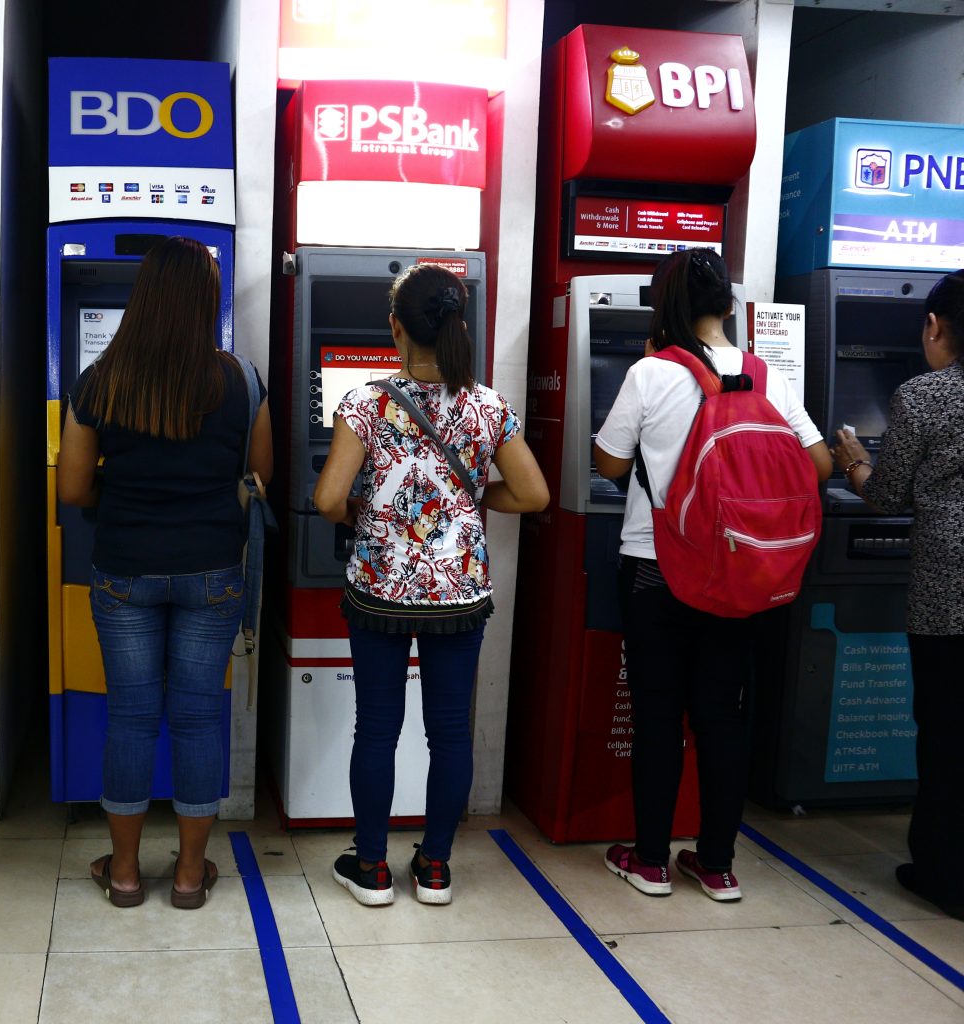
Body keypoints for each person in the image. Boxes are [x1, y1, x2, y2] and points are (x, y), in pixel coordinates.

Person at [593, 248, 831, 902]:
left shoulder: (650, 372)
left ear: (664, 306)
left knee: (658, 717)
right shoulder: (765, 376)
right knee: (722, 718)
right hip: (737, 570)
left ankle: (649, 861)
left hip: (655, 568)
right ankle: (718, 865)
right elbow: (817, 464)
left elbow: (609, 464)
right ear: (729, 304)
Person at [313, 263, 548, 907]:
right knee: (448, 733)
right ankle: (435, 867)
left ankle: (371, 867)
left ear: (396, 327)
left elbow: (328, 498)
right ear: (458, 327)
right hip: (458, 595)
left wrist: (360, 512)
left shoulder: (365, 403)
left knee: (376, 729)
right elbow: (533, 494)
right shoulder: (489, 406)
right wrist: (472, 498)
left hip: (380, 593)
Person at [58, 236, 272, 910]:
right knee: (198, 720)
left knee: (131, 719)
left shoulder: (101, 381)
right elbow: (259, 475)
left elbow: (71, 488)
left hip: (124, 571)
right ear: (208, 301)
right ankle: (188, 876)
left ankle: (124, 874)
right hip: (212, 572)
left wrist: (122, 494)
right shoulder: (241, 380)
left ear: (143, 295)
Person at [832, 270, 964, 918]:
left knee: (946, 733)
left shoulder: (923, 394)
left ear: (934, 326)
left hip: (948, 593)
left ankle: (944, 874)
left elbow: (886, 494)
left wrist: (855, 458)